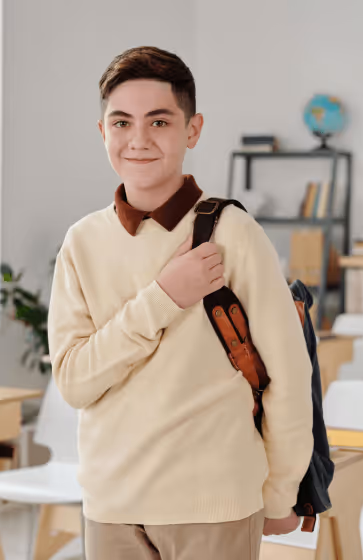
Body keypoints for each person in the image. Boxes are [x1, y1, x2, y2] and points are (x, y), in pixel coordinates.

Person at [47, 45, 313, 560]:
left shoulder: (235, 234)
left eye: (160, 122)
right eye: (121, 122)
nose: (139, 139)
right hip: (111, 505)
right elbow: (75, 382)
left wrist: (281, 491)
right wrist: (165, 297)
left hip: (214, 504)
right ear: (102, 131)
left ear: (192, 131)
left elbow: (288, 373)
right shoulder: (81, 242)